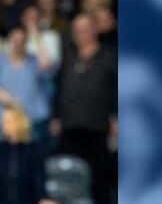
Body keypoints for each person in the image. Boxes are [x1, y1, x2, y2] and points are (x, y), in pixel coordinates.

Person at [52, 14, 118, 204]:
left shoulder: (109, 56)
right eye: (76, 30)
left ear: (94, 30)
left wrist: (117, 117)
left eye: (84, 29)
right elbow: (59, 87)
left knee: (99, 179)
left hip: (98, 126)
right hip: (70, 126)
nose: (80, 34)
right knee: (70, 178)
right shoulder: (69, 55)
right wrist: (56, 116)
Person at [0, 27, 56, 143]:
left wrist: (35, 37)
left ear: (27, 42)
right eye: (15, 40)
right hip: (0, 121)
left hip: (32, 120)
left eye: (22, 40)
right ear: (9, 41)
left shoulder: (34, 61)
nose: (18, 44)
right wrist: (13, 102)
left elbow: (47, 65)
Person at [0, 106, 55, 204]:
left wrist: (44, 198)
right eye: (3, 121)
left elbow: (39, 180)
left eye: (8, 121)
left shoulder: (33, 149)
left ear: (20, 122)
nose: (3, 125)